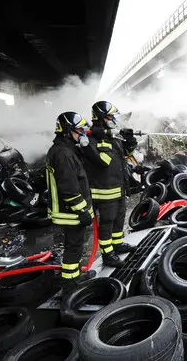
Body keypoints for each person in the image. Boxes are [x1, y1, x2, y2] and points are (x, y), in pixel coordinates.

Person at [79, 101, 137, 267]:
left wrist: (130, 141)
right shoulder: (89, 139)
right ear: (101, 117)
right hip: (104, 191)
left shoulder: (111, 137)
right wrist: (105, 137)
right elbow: (103, 160)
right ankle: (108, 254)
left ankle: (117, 244)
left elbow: (125, 154)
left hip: (118, 188)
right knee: (107, 223)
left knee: (119, 220)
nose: (114, 119)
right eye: (111, 116)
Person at [46, 111, 96, 295]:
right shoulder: (62, 154)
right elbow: (69, 186)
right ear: (67, 131)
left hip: (71, 209)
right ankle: (69, 285)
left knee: (75, 245)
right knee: (74, 246)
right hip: (70, 211)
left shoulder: (66, 150)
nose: (82, 134)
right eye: (79, 130)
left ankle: (73, 277)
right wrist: (82, 210)